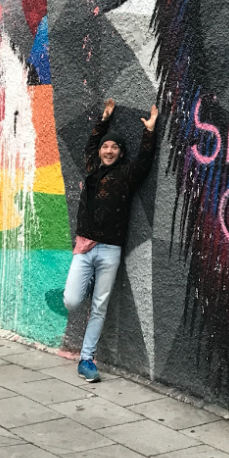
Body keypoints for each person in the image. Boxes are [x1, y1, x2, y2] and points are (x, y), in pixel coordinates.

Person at [64, 97, 158, 381]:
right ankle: (87, 281)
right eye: (106, 146)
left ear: (120, 152)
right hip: (85, 246)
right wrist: (104, 118)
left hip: (110, 250)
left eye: (114, 147)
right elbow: (90, 145)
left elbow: (144, 161)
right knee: (71, 300)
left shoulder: (127, 175)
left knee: (99, 306)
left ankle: (86, 359)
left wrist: (150, 131)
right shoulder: (93, 169)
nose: (108, 150)